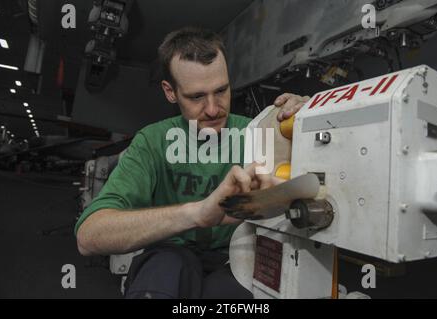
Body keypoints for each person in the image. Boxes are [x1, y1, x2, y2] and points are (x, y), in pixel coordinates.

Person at [75, 27, 310, 299]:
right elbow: (88, 237)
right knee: (166, 270)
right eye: (197, 96)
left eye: (221, 90)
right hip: (169, 257)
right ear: (170, 92)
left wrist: (308, 120)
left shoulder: (260, 132)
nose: (213, 109)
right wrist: (196, 214)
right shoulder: (153, 141)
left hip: (238, 257)